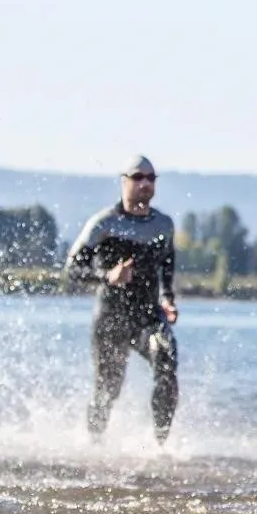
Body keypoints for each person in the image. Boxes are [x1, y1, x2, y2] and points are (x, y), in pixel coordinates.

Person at [65, 156, 179, 444]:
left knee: (166, 360)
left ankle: (161, 445)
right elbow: (72, 270)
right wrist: (108, 276)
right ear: (124, 181)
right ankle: (93, 445)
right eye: (138, 177)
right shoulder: (104, 223)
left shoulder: (163, 224)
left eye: (151, 179)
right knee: (107, 390)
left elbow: (167, 265)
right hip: (111, 317)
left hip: (148, 316)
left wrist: (167, 298)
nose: (145, 184)